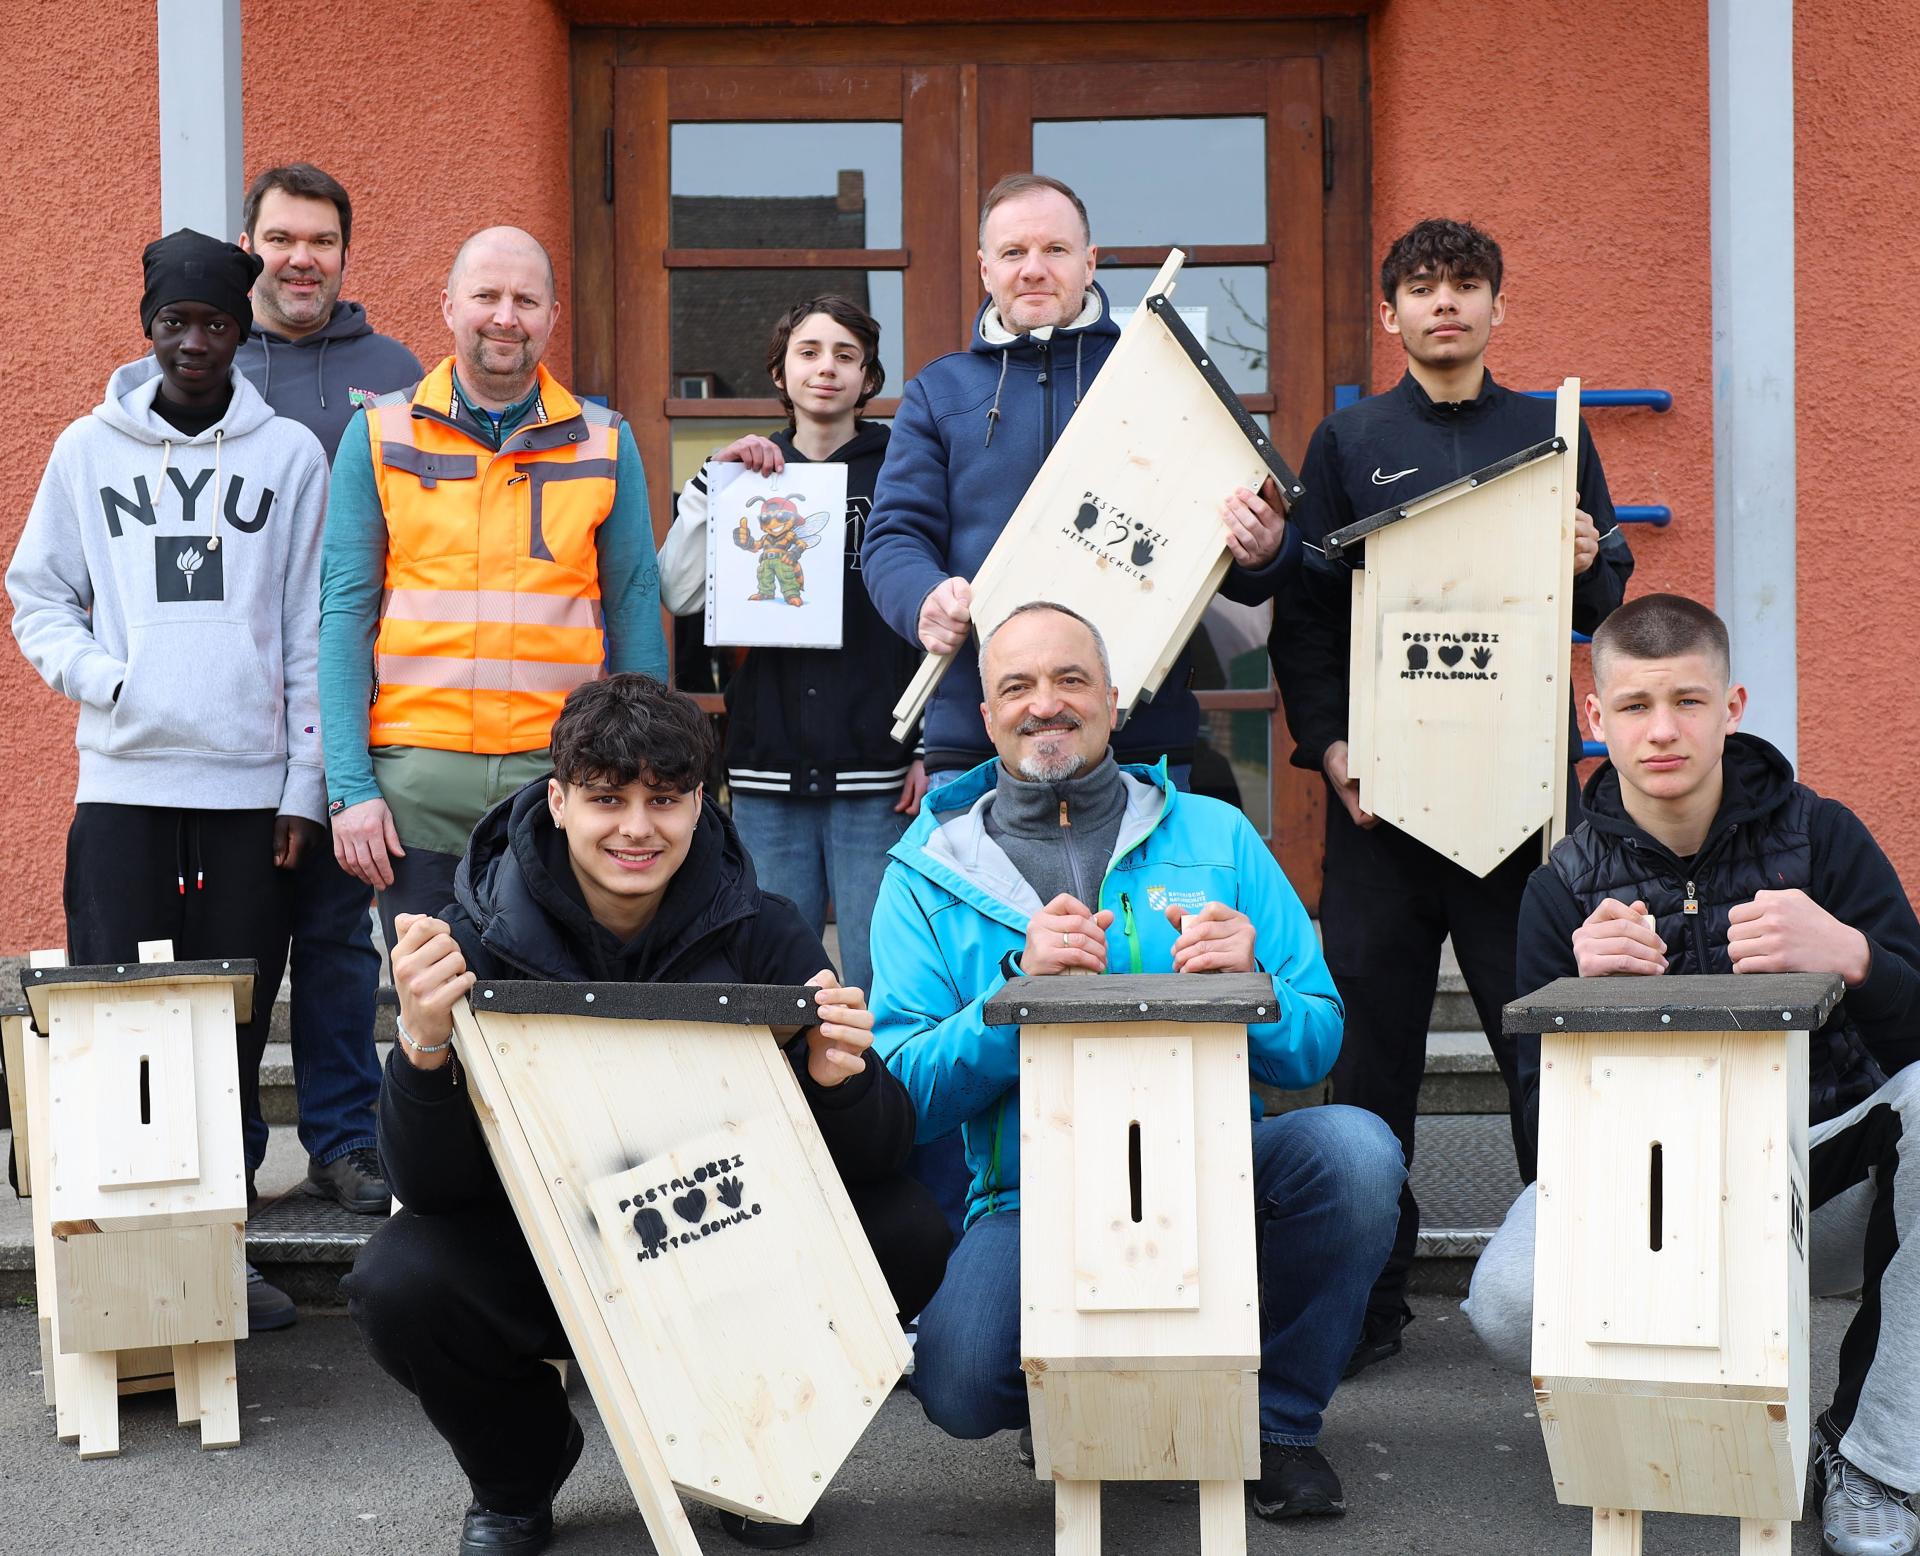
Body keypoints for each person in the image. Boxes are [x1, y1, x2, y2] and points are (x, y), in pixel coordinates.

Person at [344, 674, 949, 1554]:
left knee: (906, 1229)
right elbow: (428, 1187)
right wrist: (423, 1047)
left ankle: (759, 1443)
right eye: (606, 799)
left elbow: (881, 1154)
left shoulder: (765, 931)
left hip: (719, 1237)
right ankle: (519, 1473)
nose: (636, 828)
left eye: (664, 800)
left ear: (701, 805)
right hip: (545, 1250)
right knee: (399, 1278)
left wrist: (839, 1077)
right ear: (556, 801)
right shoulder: (467, 937)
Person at [869, 600, 1404, 1523]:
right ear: (987, 715)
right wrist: (1013, 997)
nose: (1047, 704)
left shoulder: (1218, 836)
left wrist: (1257, 986)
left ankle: (1274, 1429)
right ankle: (1074, 1395)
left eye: (1072, 680)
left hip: (1217, 1170)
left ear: (1115, 702)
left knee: (1355, 1153)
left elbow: (1319, 1036)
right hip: (1031, 1197)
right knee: (957, 1387)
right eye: (1018, 686)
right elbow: (903, 1093)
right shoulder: (925, 871)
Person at [1461, 594, 1920, 1556]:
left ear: (1733, 706)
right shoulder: (1562, 887)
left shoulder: (1824, 838)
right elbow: (1539, 1136)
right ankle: (1666, 1408)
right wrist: (1582, 1010)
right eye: (1633, 706)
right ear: (1596, 720)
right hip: (1652, 1190)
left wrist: (1851, 955)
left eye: (1687, 701)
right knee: (1508, 1303)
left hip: (1822, 1172)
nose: (1661, 730)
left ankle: (1876, 1457)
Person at [1269, 217, 1635, 1374]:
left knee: (1541, 1052)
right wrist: (1330, 749)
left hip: (1521, 812)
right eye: (1421, 289)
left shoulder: (1551, 432)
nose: (1444, 305)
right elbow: (1310, 617)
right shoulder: (1351, 437)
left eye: (1465, 286)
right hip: (1384, 808)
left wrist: (1592, 556)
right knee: (1372, 1061)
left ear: (1496, 307)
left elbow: (1607, 592)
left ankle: (1569, 1290)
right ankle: (1366, 1301)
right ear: (1391, 314)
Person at [7, 229, 331, 1331]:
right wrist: (104, 679)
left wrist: (303, 786)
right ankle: (122, 1267)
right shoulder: (85, 452)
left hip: (246, 795)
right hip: (127, 785)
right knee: (114, 1034)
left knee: (228, 1038)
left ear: (244, 331)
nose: (194, 342)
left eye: (216, 323)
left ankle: (219, 1250)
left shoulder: (289, 456)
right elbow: (37, 594)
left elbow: (305, 630)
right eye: (174, 322)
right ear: (147, 328)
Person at [860, 172, 1291, 788]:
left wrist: (1265, 552)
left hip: (1140, 734)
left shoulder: (1161, 377)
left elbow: (1245, 573)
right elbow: (894, 539)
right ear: (986, 270)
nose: (1033, 269)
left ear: (1089, 263)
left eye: (1054, 250)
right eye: (1013, 253)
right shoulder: (940, 391)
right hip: (980, 735)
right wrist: (923, 598)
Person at [319, 225, 666, 949]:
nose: (506, 316)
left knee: (547, 1012)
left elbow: (635, 611)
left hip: (559, 785)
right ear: (448, 307)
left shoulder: (605, 441)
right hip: (416, 787)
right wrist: (350, 789)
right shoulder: (380, 434)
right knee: (432, 1009)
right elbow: (344, 615)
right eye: (487, 296)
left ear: (552, 317)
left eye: (526, 300)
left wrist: (647, 776)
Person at [235, 162, 425, 1216]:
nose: (300, 257)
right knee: (242, 941)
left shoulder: (394, 372)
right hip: (235, 711)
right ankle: (234, 1147)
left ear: (347, 253)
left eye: (321, 239)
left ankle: (346, 1139)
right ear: (250, 244)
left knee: (342, 937)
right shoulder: (204, 363)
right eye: (280, 237)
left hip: (358, 699)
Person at [658, 295, 924, 995]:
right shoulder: (746, 473)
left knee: (880, 975)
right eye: (808, 353)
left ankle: (882, 1102)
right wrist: (709, 491)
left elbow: (946, 608)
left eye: (845, 355)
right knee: (772, 979)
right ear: (780, 372)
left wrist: (932, 744)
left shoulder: (905, 467)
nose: (826, 369)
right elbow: (679, 592)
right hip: (767, 767)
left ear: (869, 377)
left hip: (882, 771)